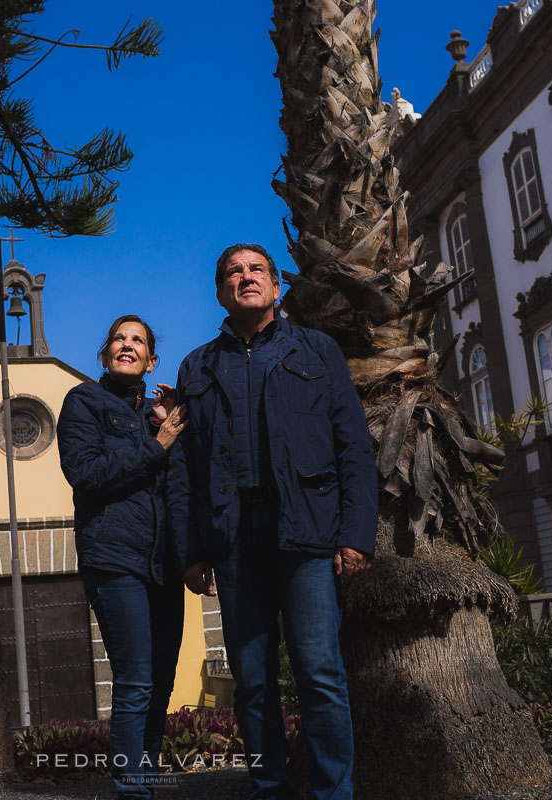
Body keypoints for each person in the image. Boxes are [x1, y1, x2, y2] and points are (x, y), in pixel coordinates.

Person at [169, 244, 377, 800]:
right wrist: (192, 551)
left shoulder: (318, 351)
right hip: (234, 543)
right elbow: (184, 471)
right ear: (220, 292)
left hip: (308, 538)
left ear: (276, 287)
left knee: (320, 676)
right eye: (233, 273)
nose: (246, 278)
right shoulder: (197, 366)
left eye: (256, 270)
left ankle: (334, 793)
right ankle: (269, 788)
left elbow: (353, 447)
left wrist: (356, 538)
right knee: (254, 683)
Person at [57, 314, 188, 798]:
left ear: (152, 360)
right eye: (118, 338)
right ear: (105, 353)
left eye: (138, 341)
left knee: (160, 684)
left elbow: (182, 487)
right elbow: (87, 473)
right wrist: (159, 444)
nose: (127, 346)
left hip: (164, 564)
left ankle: (144, 781)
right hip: (114, 560)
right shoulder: (84, 402)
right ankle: (133, 791)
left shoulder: (158, 416)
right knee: (134, 681)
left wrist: (173, 430)